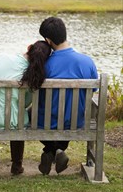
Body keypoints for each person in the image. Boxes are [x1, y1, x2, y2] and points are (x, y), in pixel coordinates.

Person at [0, 41, 51, 175]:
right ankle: (16, 165)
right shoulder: (33, 75)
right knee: (18, 117)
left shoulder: (1, 57)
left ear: (28, 48)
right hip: (10, 122)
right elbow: (25, 103)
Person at [37, 17, 98, 175]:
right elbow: (94, 92)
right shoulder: (87, 62)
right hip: (75, 121)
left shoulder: (45, 64)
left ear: (48, 40)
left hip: (47, 122)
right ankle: (58, 149)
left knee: (34, 114)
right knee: (68, 114)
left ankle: (50, 150)